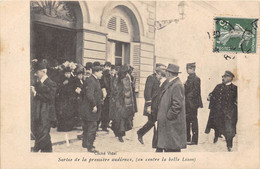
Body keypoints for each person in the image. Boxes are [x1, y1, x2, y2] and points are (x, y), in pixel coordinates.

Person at [156, 63, 186, 152]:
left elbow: (177, 105)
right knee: (169, 146)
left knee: (173, 148)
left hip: (171, 122)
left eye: (167, 72)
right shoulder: (172, 83)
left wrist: (169, 116)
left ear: (169, 73)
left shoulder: (177, 85)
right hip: (168, 122)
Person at [205, 71, 237, 152]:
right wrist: (209, 96)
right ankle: (216, 137)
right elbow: (212, 94)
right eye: (223, 76)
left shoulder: (235, 88)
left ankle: (229, 146)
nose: (223, 78)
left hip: (228, 113)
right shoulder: (218, 86)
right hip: (217, 111)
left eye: (225, 77)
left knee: (229, 130)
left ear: (230, 78)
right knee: (216, 126)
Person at [137, 64, 167, 144]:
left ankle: (141, 133)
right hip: (152, 104)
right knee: (152, 122)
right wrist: (148, 105)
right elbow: (147, 92)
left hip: (158, 105)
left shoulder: (163, 79)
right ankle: (142, 133)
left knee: (153, 122)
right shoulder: (151, 78)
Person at [31, 62, 57, 152]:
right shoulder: (37, 82)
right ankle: (47, 152)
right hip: (39, 113)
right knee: (41, 133)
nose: (35, 74)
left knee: (43, 133)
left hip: (47, 113)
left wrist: (36, 93)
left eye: (37, 72)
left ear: (43, 71)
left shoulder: (51, 83)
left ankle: (37, 149)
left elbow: (50, 98)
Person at [80, 66, 103, 153]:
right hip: (90, 109)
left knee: (87, 127)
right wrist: (94, 105)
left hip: (87, 108)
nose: (101, 74)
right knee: (92, 127)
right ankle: (90, 147)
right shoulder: (92, 80)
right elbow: (89, 94)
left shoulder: (92, 79)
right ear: (96, 72)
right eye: (101, 72)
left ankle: (85, 143)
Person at [110, 64, 135, 142]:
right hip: (120, 101)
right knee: (120, 119)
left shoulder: (125, 78)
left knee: (122, 119)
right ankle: (120, 134)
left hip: (123, 101)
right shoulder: (120, 78)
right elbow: (115, 90)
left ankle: (120, 133)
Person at [184, 62, 203, 145]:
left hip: (192, 104)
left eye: (188, 68)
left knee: (194, 121)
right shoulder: (188, 78)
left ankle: (194, 140)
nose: (187, 70)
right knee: (186, 121)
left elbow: (196, 92)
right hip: (187, 103)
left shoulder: (196, 79)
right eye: (187, 68)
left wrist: (187, 97)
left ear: (192, 69)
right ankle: (187, 138)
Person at [56, 67, 76, 131]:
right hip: (63, 99)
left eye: (69, 73)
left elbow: (74, 87)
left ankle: (69, 127)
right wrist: (62, 84)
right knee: (63, 113)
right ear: (64, 73)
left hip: (70, 99)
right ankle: (62, 127)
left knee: (70, 113)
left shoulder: (72, 79)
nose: (67, 75)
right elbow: (58, 88)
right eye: (66, 73)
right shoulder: (61, 79)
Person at [99, 62, 112, 132]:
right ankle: (103, 125)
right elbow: (102, 85)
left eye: (109, 67)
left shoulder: (109, 75)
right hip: (104, 95)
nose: (108, 68)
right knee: (103, 111)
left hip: (109, 95)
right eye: (107, 66)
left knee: (107, 111)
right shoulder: (103, 75)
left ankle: (105, 125)